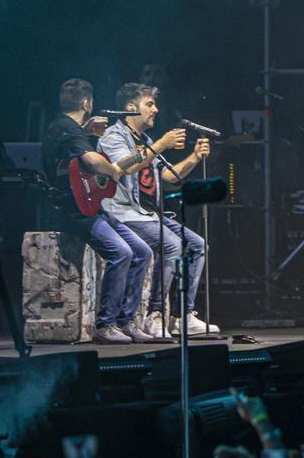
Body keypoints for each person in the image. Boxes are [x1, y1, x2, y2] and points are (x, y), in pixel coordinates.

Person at [97, 82, 219, 337]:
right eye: (149, 104)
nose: (156, 109)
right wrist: (161, 145)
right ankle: (155, 315)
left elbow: (168, 176)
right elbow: (125, 166)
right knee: (172, 244)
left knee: (197, 245)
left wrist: (195, 157)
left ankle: (181, 315)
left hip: (149, 214)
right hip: (122, 213)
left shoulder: (146, 140)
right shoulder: (114, 136)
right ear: (131, 108)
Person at [40, 78, 152, 344]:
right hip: (72, 211)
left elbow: (77, 166)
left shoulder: (69, 127)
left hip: (88, 207)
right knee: (122, 252)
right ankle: (106, 324)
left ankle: (126, 322)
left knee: (143, 251)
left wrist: (89, 133)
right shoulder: (66, 128)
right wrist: (114, 170)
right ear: (87, 103)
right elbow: (91, 160)